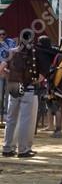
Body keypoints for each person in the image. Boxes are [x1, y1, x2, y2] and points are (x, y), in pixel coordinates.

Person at [1, 30, 40, 158]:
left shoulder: (12, 51)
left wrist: (9, 75)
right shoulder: (33, 52)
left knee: (11, 118)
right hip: (27, 86)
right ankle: (22, 149)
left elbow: (2, 68)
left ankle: (7, 148)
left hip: (13, 85)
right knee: (24, 119)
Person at [0, 28, 15, 123]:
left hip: (8, 72)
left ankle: (5, 113)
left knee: (7, 95)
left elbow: (13, 54)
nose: (1, 36)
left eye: (3, 34)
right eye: (0, 34)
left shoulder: (10, 42)